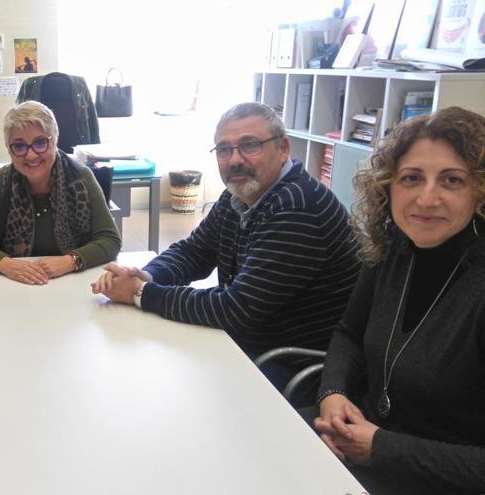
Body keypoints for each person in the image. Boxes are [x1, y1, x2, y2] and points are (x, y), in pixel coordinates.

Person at [92, 102, 360, 389]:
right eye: (224, 149)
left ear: (282, 149)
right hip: (252, 341)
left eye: (249, 145)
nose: (234, 160)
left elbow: (236, 309)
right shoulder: (241, 195)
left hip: (290, 364)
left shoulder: (297, 206)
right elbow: (193, 252)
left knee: (162, 385)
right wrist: (147, 275)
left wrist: (142, 294)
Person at [313, 107, 485, 494]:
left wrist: (381, 448)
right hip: (358, 444)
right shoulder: (395, 249)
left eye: (452, 180)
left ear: (479, 192)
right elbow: (348, 335)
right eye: (411, 178)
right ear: (388, 186)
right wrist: (333, 394)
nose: (427, 198)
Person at [0, 101, 121, 284]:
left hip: (72, 282)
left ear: (55, 141)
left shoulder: (82, 177)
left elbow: (110, 240)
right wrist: (6, 265)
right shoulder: (0, 180)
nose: (30, 156)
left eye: (40, 143)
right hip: (14, 284)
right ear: (9, 149)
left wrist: (70, 261)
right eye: (19, 146)